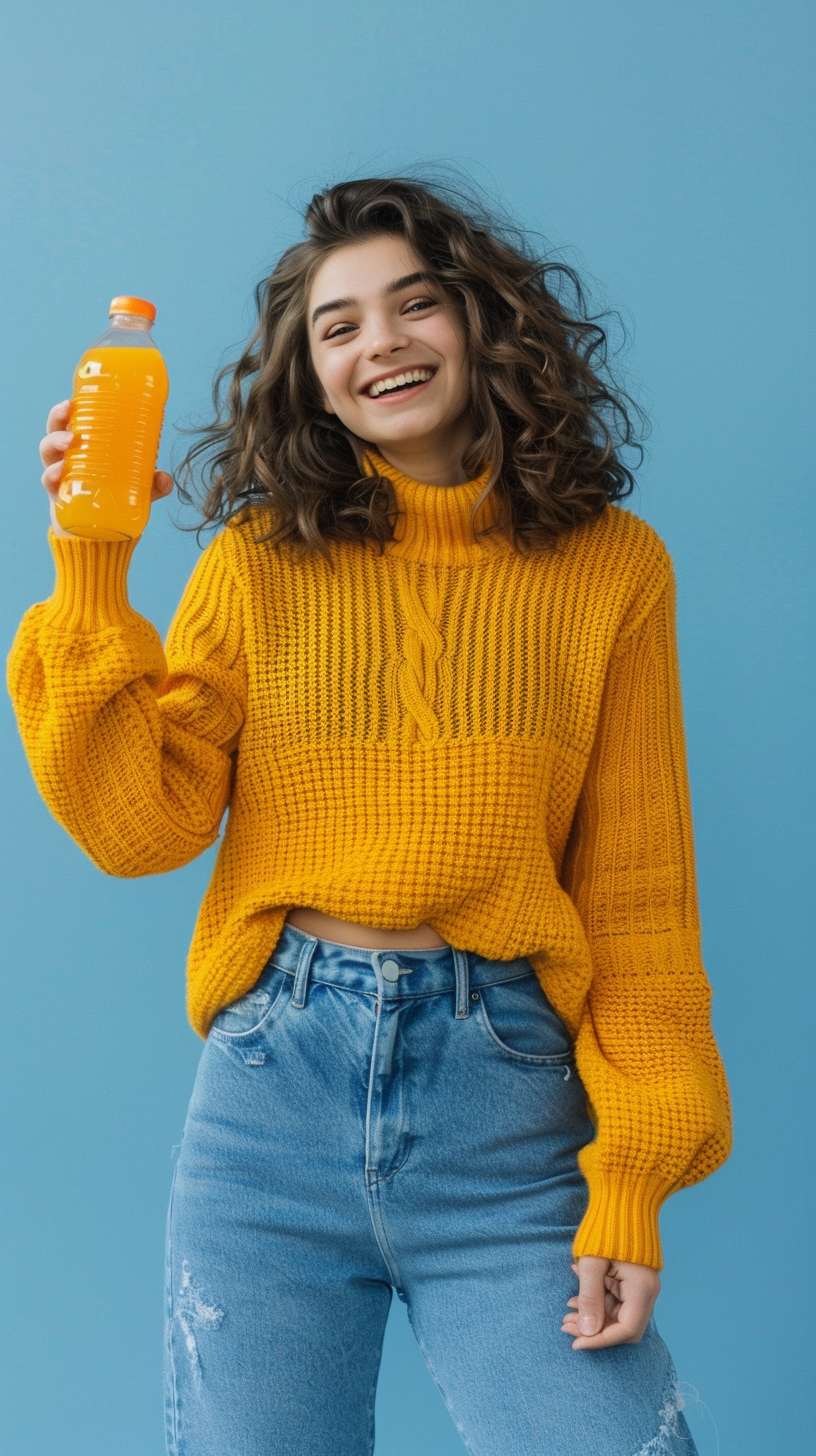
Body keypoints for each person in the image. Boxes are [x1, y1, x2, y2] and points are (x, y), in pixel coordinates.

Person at [9, 176, 731, 1456]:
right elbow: (143, 827)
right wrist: (91, 561)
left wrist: (633, 1184)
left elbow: (639, 903)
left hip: (506, 1112)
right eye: (337, 327)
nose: (379, 343)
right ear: (312, 376)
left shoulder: (615, 569)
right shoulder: (257, 561)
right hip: (268, 1105)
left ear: (484, 324)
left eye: (414, 304)